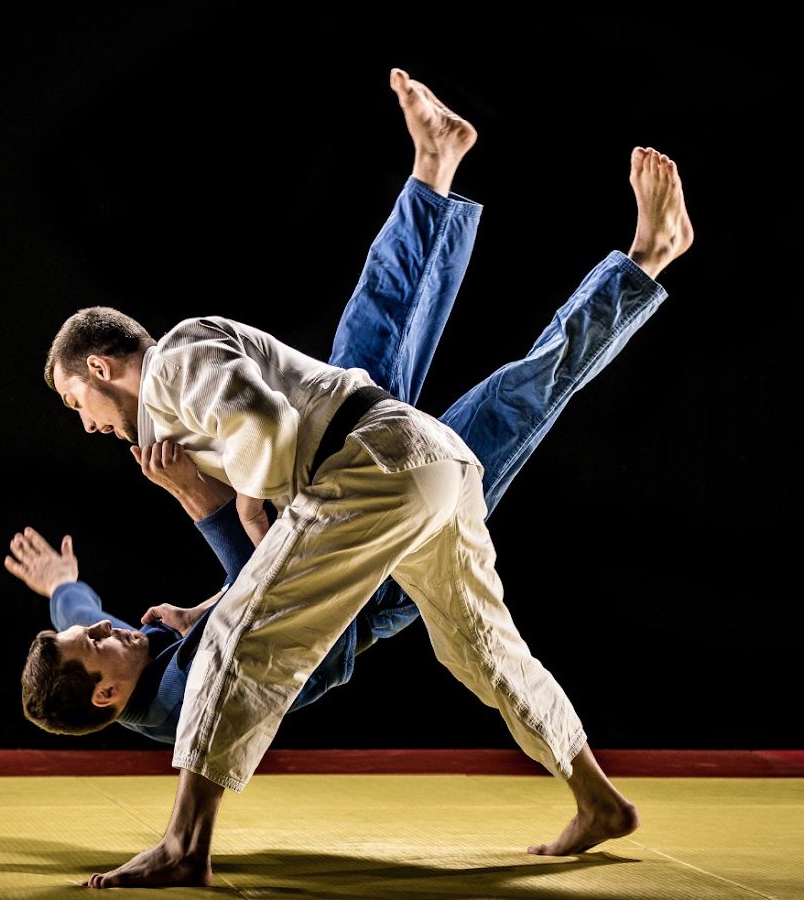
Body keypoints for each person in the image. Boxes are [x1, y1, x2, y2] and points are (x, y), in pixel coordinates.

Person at [39, 67, 693, 888]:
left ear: (102, 366)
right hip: (401, 465)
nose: (88, 423)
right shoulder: (178, 397)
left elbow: (266, 443)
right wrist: (205, 562)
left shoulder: (170, 369)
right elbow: (259, 551)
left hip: (368, 471)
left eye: (78, 401)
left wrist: (234, 503)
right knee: (483, 647)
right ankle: (596, 796)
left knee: (246, 644)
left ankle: (183, 845)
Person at [9, 151, 677, 746]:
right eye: (99, 642)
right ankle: (644, 263)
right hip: (376, 564)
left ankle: (433, 172)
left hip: (328, 478)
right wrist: (209, 503)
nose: (108, 627)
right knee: (520, 397)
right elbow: (279, 607)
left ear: (98, 369)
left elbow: (82, 614)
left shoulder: (117, 655)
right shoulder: (183, 700)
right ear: (106, 694)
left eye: (76, 405)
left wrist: (63, 588)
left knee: (377, 325)